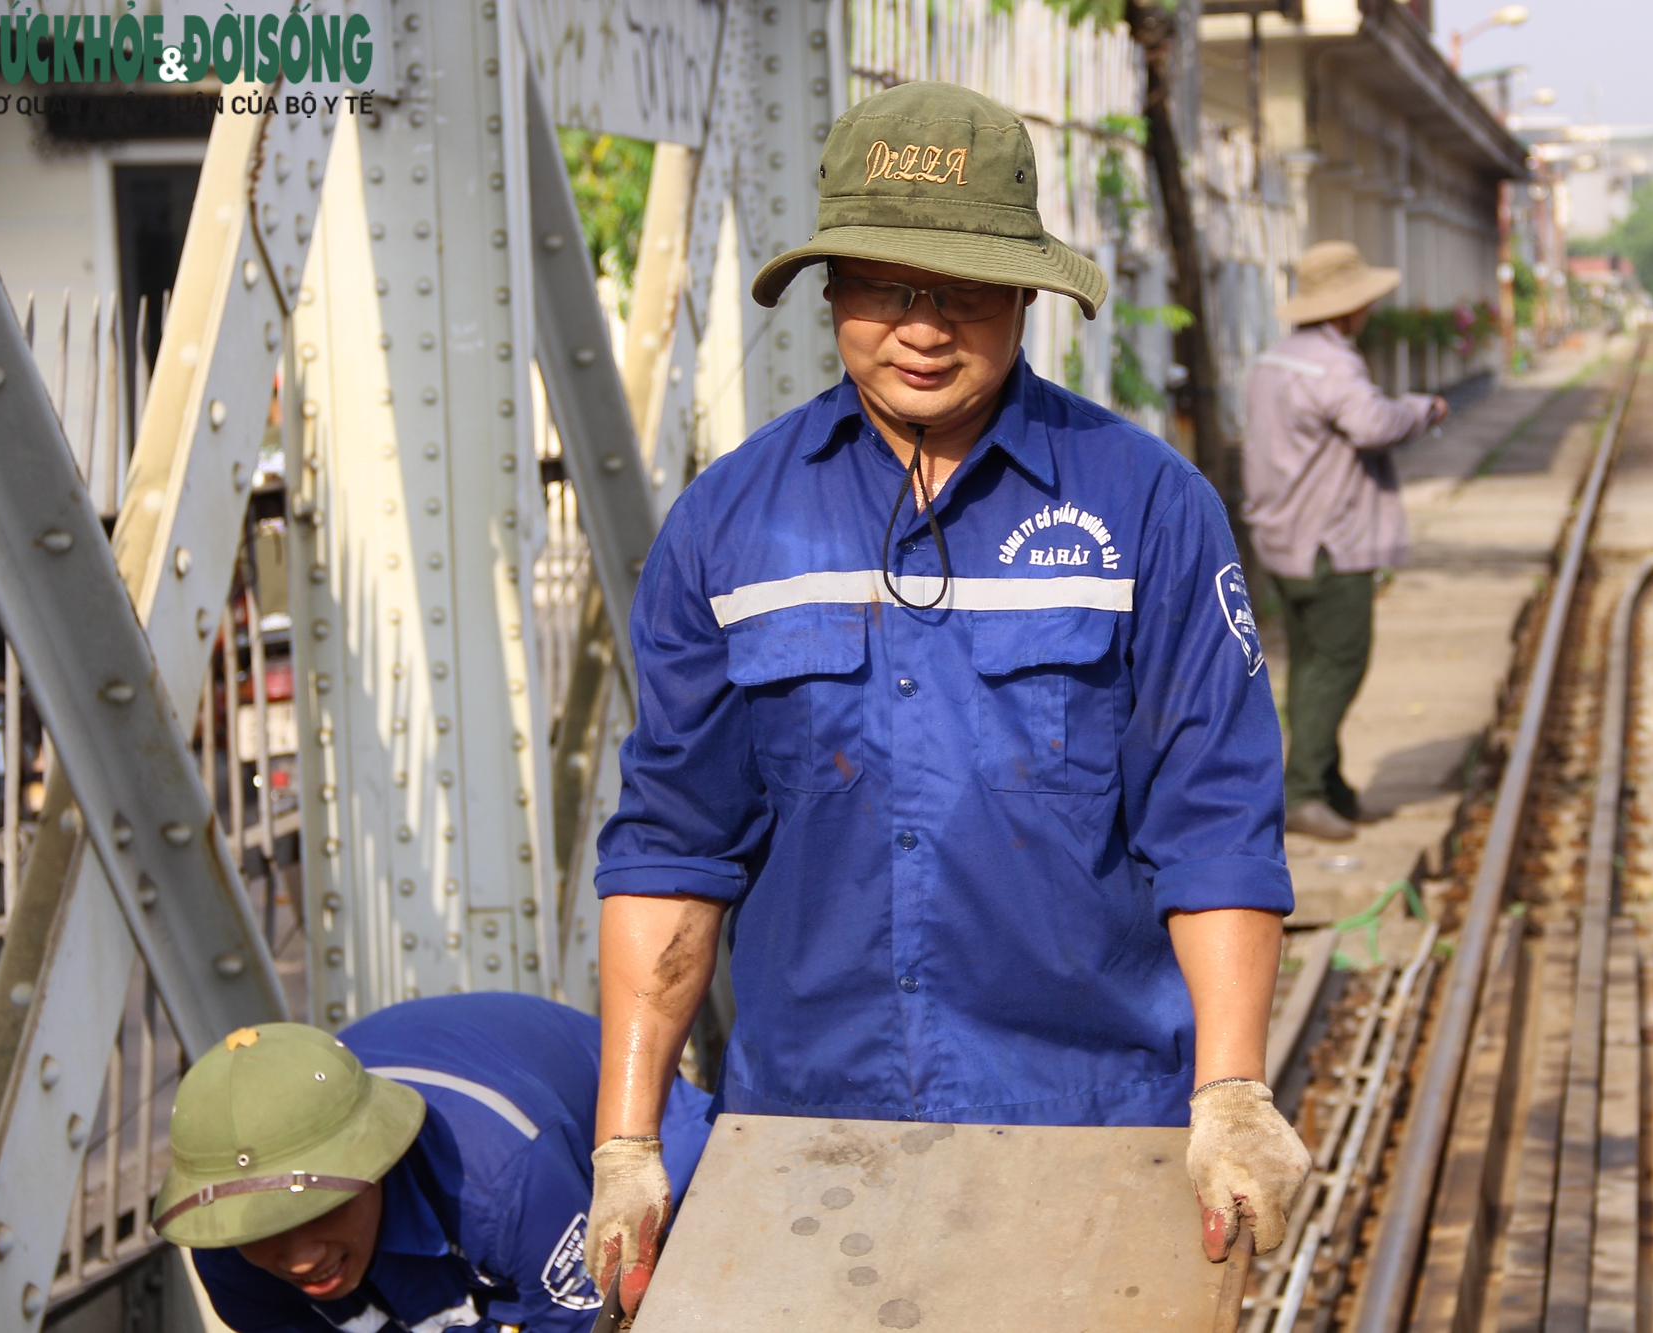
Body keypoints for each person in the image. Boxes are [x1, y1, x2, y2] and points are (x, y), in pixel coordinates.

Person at [587, 80, 1308, 1307]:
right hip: (808, 1130)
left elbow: (1216, 821)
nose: (922, 327)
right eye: (884, 284)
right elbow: (672, 846)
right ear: (830, 292)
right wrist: (627, 1143)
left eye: (964, 286)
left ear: (1025, 291)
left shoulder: (1144, 507)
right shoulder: (728, 525)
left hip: (1094, 1126)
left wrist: (1231, 1094)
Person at [154, 994, 712, 1332]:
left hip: (622, 1171)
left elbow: (590, 1326)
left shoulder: (507, 1181)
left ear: (374, 1158)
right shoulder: (232, 1257)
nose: (299, 1259)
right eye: (265, 1228)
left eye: (319, 1210)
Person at [1241, 242, 1449, 843]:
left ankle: (1328, 784)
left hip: (1282, 541)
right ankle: (1303, 791)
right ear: (1346, 310)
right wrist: (1422, 409)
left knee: (1309, 663)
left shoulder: (1274, 361)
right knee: (1339, 664)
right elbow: (1373, 424)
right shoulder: (1333, 366)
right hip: (1331, 542)